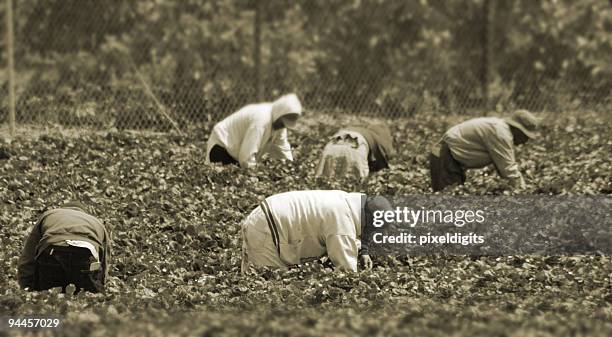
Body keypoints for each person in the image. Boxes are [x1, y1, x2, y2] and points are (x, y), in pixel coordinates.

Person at [240, 190, 392, 273]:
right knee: (265, 281)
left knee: (252, 276)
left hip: (268, 212)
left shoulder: (352, 202)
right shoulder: (342, 222)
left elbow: (361, 230)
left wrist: (364, 252)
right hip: (269, 224)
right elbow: (347, 269)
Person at [429, 109, 540, 192]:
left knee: (452, 203)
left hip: (449, 158)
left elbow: (504, 169)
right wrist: (524, 192)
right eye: (525, 136)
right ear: (517, 129)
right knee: (448, 203)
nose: (525, 141)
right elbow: (508, 170)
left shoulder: (500, 128)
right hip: (445, 156)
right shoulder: (501, 133)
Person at [17, 201, 111, 293]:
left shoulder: (49, 214)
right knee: (87, 300)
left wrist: (26, 288)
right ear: (82, 212)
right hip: (85, 256)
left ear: (63, 208)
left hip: (52, 253)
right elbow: (104, 262)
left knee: (47, 298)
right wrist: (99, 285)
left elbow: (28, 256)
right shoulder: (97, 222)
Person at [205, 93, 303, 168]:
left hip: (236, 152)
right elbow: (246, 156)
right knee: (225, 182)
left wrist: (290, 167)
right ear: (279, 114)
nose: (283, 126)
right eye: (283, 123)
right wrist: (255, 177)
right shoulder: (261, 120)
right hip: (222, 146)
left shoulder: (279, 124)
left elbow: (283, 148)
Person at [316, 124, 395, 180]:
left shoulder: (357, 129)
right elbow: (382, 163)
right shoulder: (381, 139)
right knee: (356, 185)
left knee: (325, 181)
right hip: (356, 146)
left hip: (333, 144)